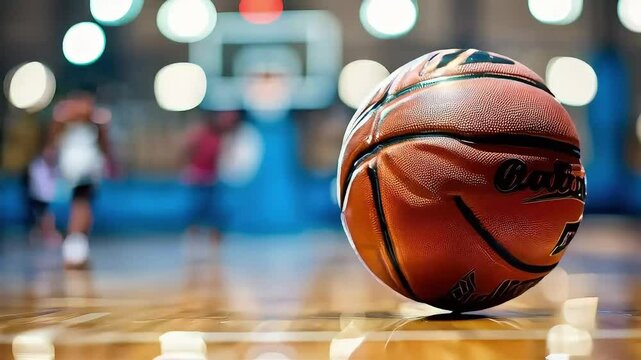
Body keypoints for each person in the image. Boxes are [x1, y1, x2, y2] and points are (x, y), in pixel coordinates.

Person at [47, 91, 114, 269]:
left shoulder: (91, 119)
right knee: (81, 205)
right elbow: (105, 145)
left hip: (77, 166)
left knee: (83, 205)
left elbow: (52, 142)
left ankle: (78, 249)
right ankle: (74, 248)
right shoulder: (68, 118)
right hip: (82, 166)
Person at [181, 113, 233, 242]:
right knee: (195, 208)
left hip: (211, 179)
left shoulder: (220, 139)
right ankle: (192, 235)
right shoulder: (199, 135)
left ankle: (215, 237)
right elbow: (186, 149)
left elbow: (224, 158)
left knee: (214, 209)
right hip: (197, 177)